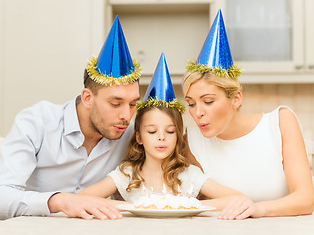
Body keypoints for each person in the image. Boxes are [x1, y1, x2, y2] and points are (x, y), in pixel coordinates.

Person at [0, 16, 141, 220]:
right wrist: (59, 201)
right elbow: (2, 196)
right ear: (87, 98)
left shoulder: (132, 133)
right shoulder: (37, 122)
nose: (126, 116)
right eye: (115, 103)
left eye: (132, 104)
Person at [79, 53, 249, 216]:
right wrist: (135, 207)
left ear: (178, 137)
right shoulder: (127, 175)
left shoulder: (187, 175)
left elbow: (239, 199)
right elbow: (82, 199)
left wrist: (184, 206)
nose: (161, 137)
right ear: (138, 137)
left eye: (170, 131)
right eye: (152, 131)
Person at [182, 10, 314, 219]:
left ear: (236, 99)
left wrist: (257, 209)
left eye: (208, 101)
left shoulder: (280, 122)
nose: (197, 113)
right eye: (191, 104)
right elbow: (194, 204)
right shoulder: (192, 140)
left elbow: (306, 200)